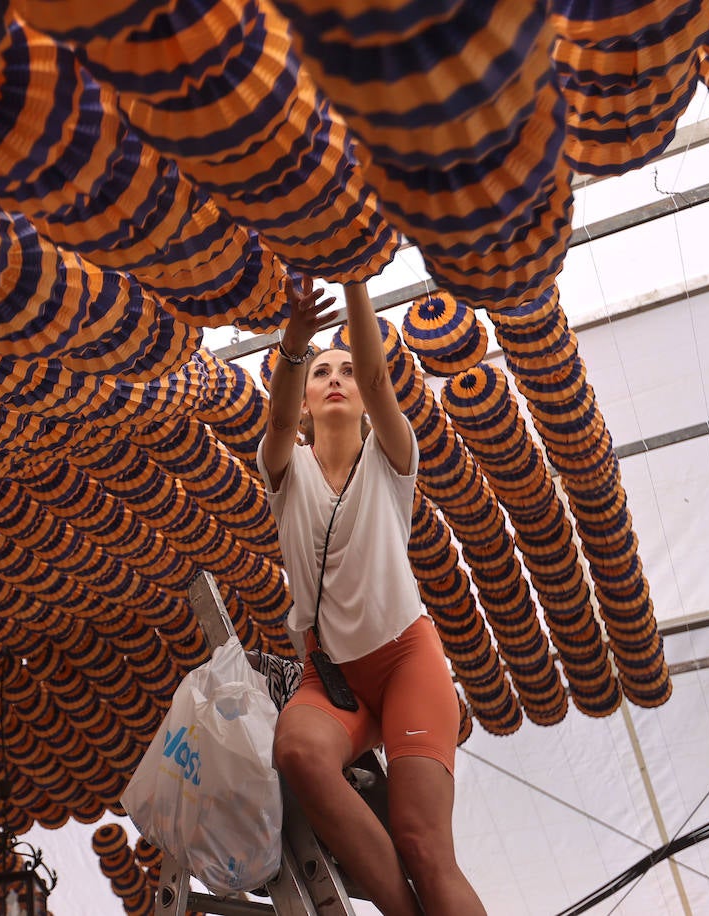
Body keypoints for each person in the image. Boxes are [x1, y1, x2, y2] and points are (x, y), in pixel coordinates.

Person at [257, 276, 486, 915]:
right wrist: (294, 342)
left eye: (349, 372)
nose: (337, 378)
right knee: (297, 752)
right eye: (322, 372)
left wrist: (355, 279)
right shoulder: (285, 470)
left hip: (407, 661)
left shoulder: (391, 457)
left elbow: (384, 380)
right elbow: (275, 421)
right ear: (304, 399)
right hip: (333, 677)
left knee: (422, 843)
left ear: (364, 395)